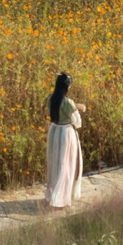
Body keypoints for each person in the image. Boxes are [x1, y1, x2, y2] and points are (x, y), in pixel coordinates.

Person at [44, 72, 84, 209]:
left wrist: (75, 106)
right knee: (66, 166)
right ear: (67, 87)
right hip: (66, 134)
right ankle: (61, 197)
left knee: (55, 165)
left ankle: (52, 195)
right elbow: (77, 122)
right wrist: (77, 108)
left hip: (54, 131)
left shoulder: (50, 99)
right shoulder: (68, 102)